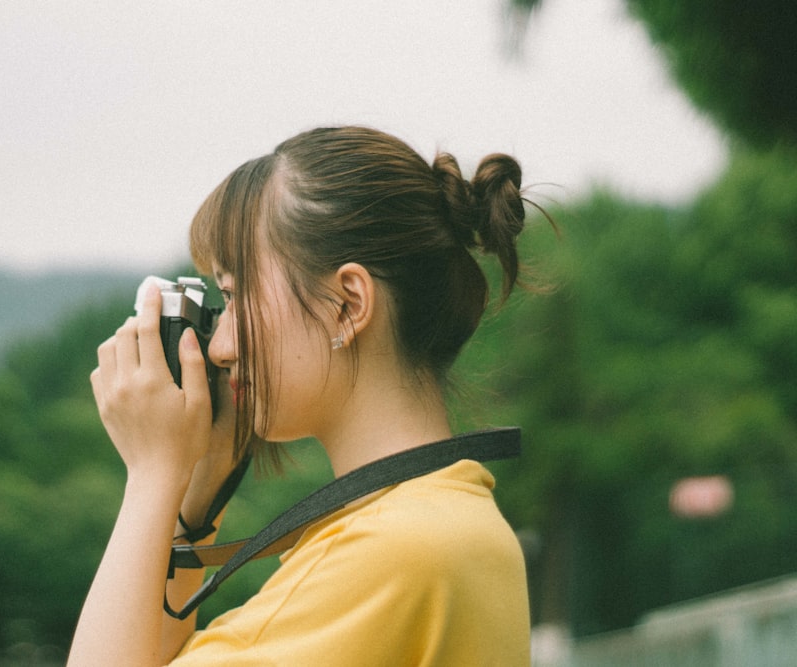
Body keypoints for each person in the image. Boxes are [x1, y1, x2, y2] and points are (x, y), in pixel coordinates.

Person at [68, 126, 542, 665]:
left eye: (235, 292)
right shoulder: (456, 521)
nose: (219, 346)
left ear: (347, 303)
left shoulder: (383, 554)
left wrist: (152, 473)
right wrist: (194, 502)